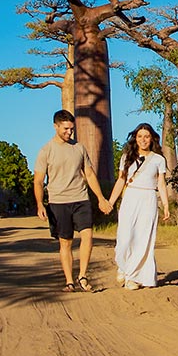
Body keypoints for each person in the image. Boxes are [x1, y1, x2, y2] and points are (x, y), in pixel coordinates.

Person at [33, 109, 112, 292]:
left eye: (71, 129)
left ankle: (83, 276)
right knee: (65, 242)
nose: (70, 133)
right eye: (66, 129)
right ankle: (69, 281)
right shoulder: (46, 151)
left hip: (81, 198)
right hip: (58, 201)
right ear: (56, 126)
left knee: (88, 235)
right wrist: (39, 204)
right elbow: (38, 181)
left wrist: (100, 198)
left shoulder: (79, 148)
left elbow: (90, 174)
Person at [106, 122, 171, 290]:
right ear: (135, 138)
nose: (143, 140)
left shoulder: (158, 160)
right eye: (140, 136)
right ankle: (123, 266)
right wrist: (110, 202)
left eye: (147, 137)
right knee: (125, 238)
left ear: (152, 139)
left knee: (144, 239)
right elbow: (121, 180)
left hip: (148, 198)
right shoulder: (126, 157)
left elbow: (161, 184)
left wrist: (165, 205)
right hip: (131, 197)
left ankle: (133, 277)